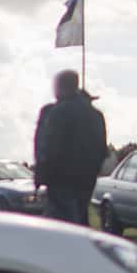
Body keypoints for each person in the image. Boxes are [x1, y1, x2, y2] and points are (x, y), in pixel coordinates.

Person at [34, 73, 107, 225]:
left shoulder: (57, 112)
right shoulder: (96, 115)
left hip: (60, 178)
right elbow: (101, 149)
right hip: (86, 179)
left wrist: (41, 175)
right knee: (79, 218)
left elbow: (49, 148)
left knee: (61, 223)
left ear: (60, 87)